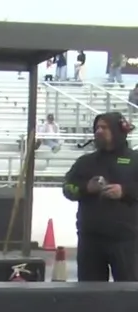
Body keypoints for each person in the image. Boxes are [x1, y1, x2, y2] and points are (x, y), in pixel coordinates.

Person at [62, 112, 138, 281]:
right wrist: (86, 188)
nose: (99, 131)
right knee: (89, 292)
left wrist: (124, 191)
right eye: (97, 127)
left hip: (125, 240)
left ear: (118, 130)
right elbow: (67, 189)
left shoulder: (135, 160)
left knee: (128, 290)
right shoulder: (85, 162)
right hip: (90, 239)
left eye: (104, 127)